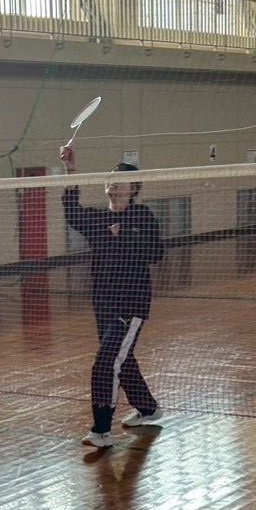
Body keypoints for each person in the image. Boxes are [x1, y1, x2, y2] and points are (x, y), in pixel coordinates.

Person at [60, 143, 165, 448]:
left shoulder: (142, 216)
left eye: (120, 180)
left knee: (106, 362)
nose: (113, 183)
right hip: (103, 303)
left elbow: (157, 253)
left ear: (133, 189)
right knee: (123, 358)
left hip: (131, 303)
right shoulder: (96, 219)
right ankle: (148, 408)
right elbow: (71, 212)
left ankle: (102, 429)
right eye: (110, 179)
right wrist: (70, 170)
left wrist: (126, 237)